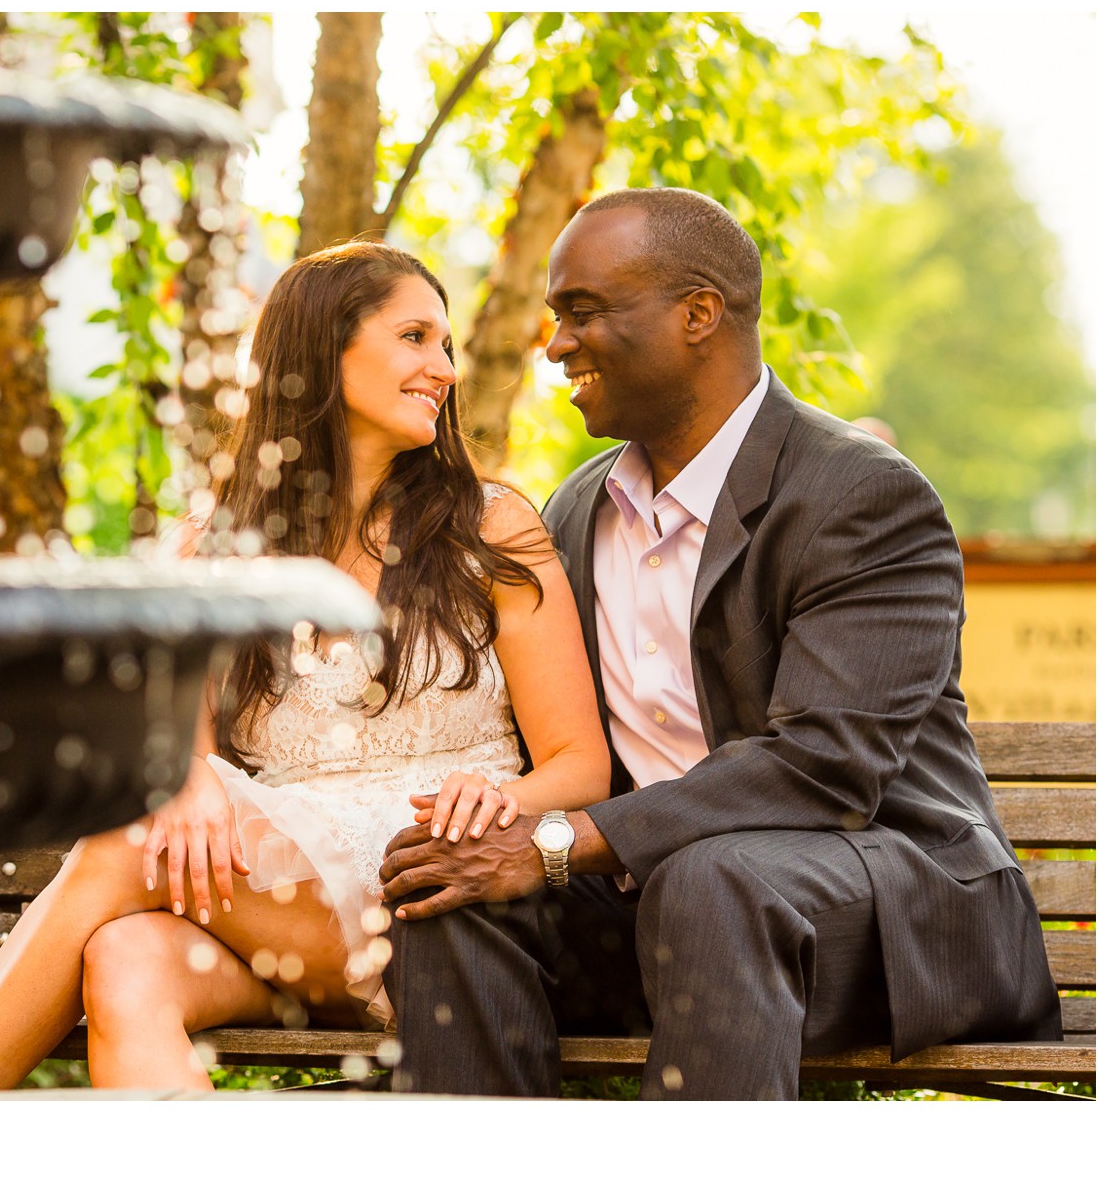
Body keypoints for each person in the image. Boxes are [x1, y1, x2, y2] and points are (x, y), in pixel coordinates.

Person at [378, 188, 1063, 1100]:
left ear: (699, 314)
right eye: (552, 317)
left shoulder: (861, 498)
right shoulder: (576, 511)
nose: (555, 345)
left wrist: (552, 842)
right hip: (664, 907)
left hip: (890, 900)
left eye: (582, 312)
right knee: (446, 899)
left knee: (713, 881)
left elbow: (823, 767)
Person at [0, 241, 611, 1092]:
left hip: (426, 906)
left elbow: (583, 766)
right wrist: (182, 775)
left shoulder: (490, 527)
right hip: (273, 913)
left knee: (120, 843)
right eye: (414, 337)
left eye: (446, 346)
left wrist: (505, 799)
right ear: (327, 347)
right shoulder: (216, 543)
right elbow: (169, 732)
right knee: (126, 958)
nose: (441, 367)